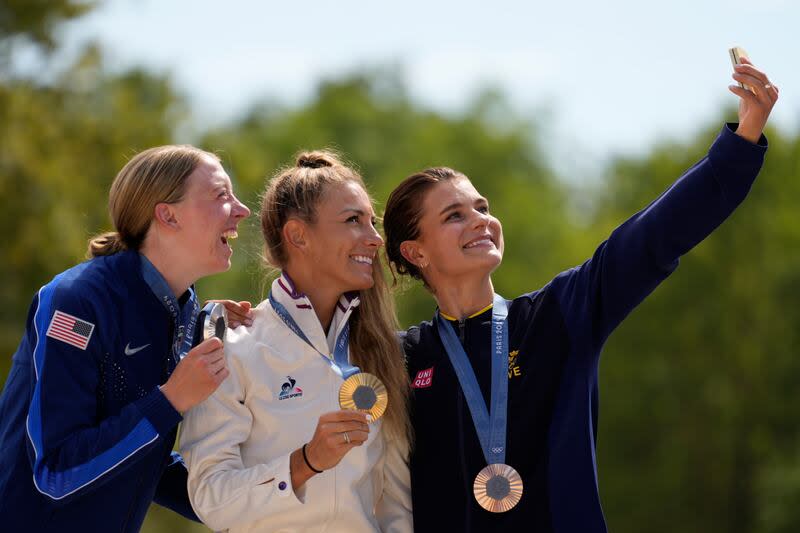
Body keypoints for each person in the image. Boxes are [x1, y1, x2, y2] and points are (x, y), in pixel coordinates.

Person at [382, 59, 778, 532]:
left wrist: (743, 138)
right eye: (454, 216)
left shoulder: (560, 314)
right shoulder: (401, 357)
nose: (481, 221)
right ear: (416, 251)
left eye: (482, 207)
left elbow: (656, 236)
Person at [0, 145, 251, 532]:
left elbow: (142, 458)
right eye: (221, 195)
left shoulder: (184, 310)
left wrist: (265, 505)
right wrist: (171, 400)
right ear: (167, 215)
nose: (241, 209)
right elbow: (55, 470)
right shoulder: (75, 300)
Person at [180, 151, 413, 532]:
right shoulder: (233, 345)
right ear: (297, 236)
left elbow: (395, 502)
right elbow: (210, 496)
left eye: (373, 222)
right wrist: (304, 463)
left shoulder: (380, 349)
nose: (374, 239)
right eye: (354, 220)